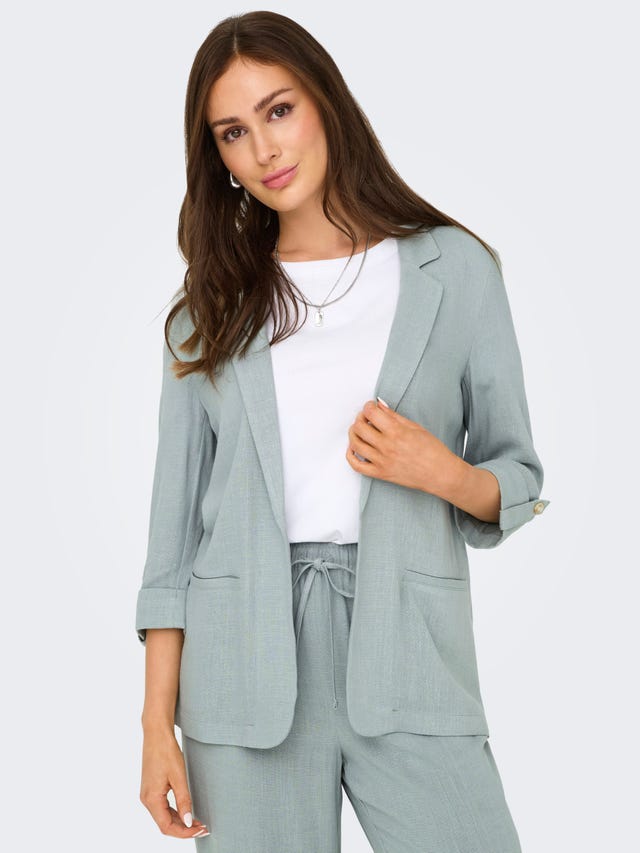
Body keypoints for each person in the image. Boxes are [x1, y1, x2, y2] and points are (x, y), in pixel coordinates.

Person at [135, 10, 550, 852]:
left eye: (279, 110)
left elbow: (517, 476)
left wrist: (440, 469)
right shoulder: (205, 314)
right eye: (233, 132)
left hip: (411, 653)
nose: (264, 149)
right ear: (218, 157)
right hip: (241, 668)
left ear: (325, 102)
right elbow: (172, 548)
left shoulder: (452, 269)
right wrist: (155, 727)